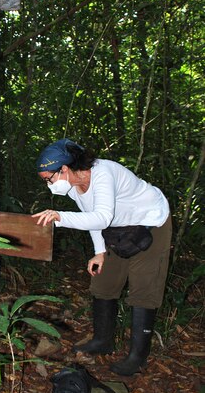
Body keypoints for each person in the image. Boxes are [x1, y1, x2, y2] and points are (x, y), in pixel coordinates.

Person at [32, 139, 171, 376]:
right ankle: (103, 340)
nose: (49, 185)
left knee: (143, 290)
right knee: (103, 282)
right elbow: (93, 220)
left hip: (151, 224)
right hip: (118, 231)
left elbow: (102, 217)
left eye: (49, 179)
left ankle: (137, 357)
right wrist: (99, 252)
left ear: (64, 168)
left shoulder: (103, 173)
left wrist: (59, 217)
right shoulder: (75, 187)